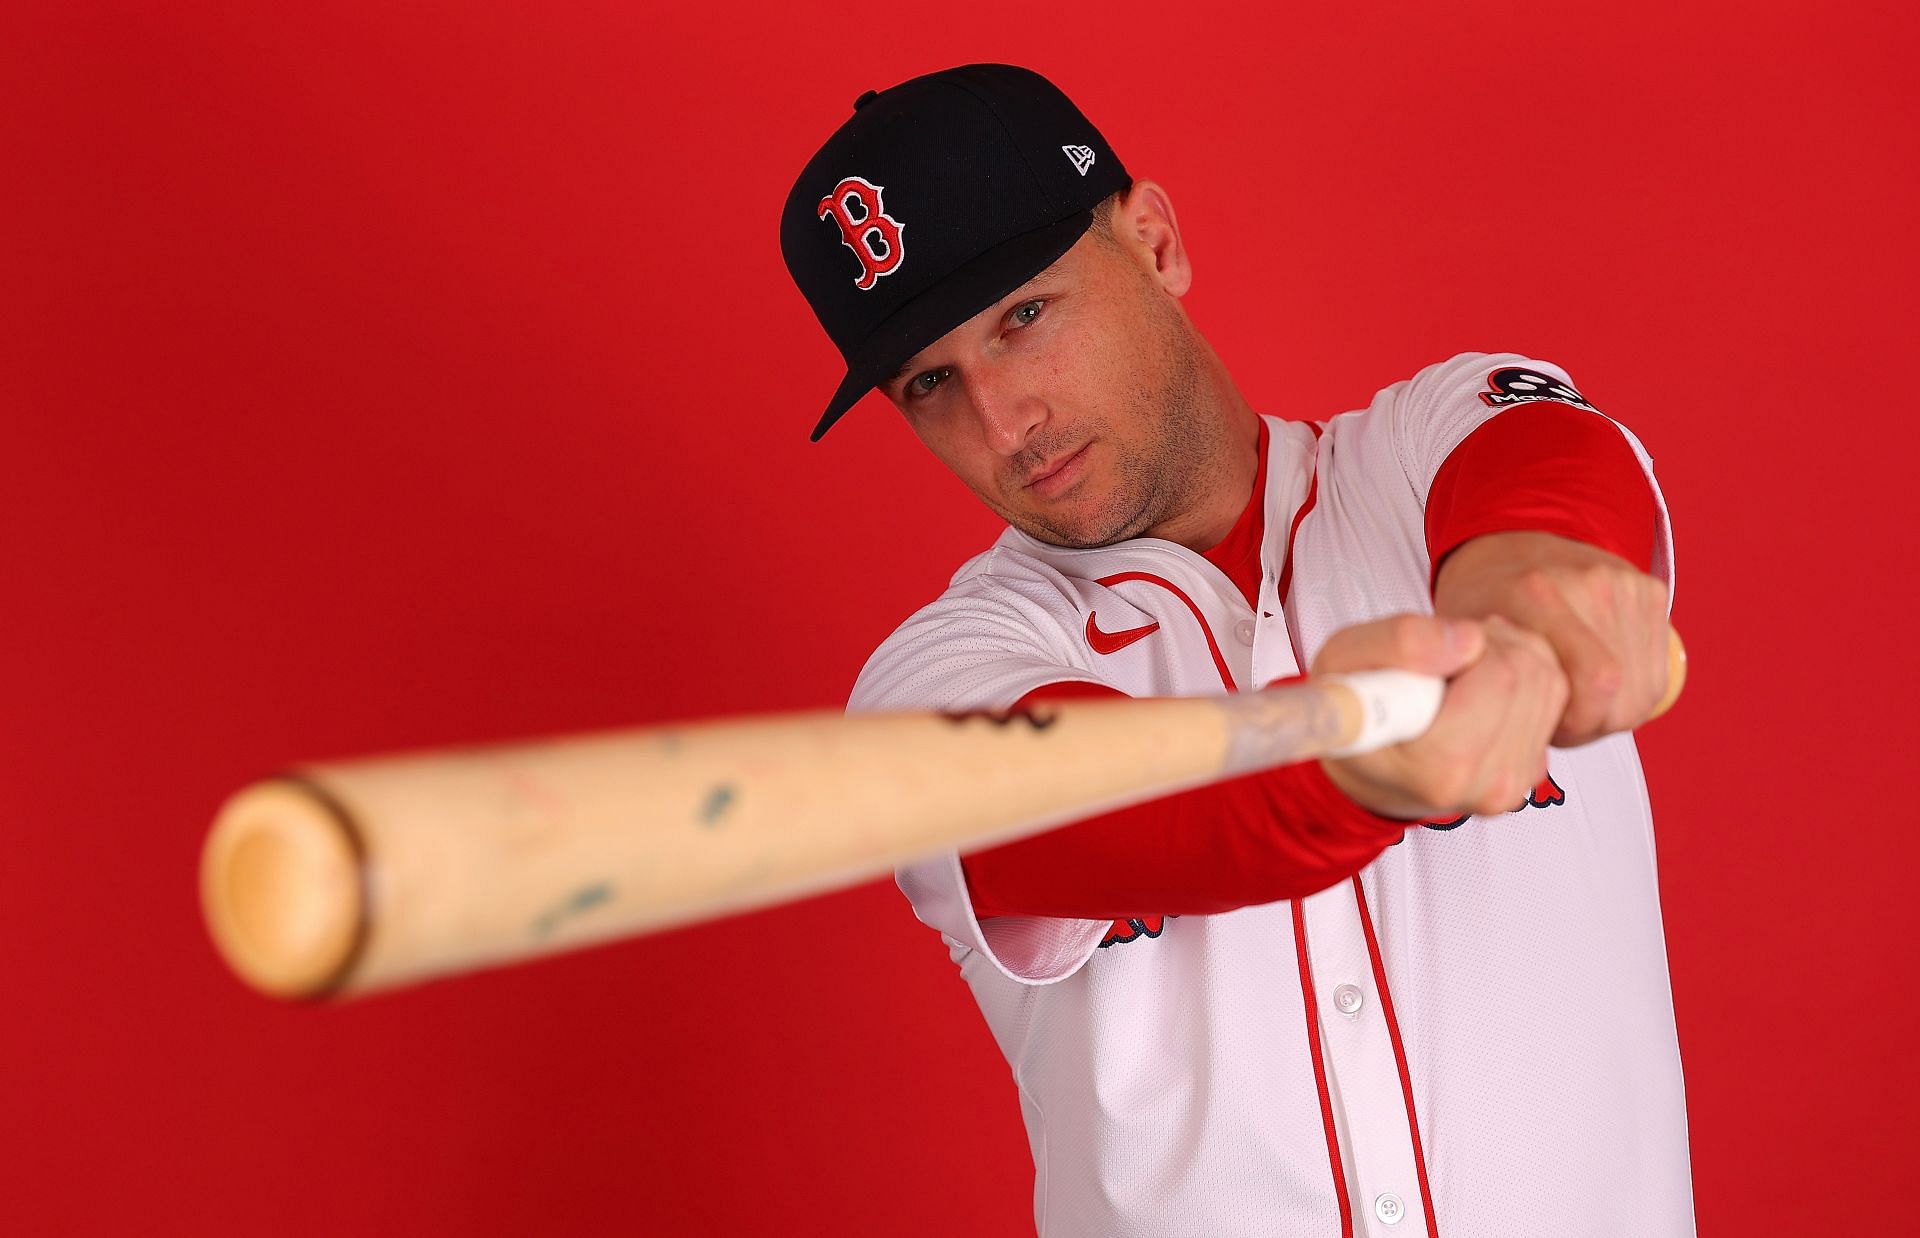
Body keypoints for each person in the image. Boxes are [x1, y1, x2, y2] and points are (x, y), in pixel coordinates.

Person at [781, 64, 1692, 1237]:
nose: (1005, 424)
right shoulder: (939, 675)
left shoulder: (1420, 448)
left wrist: (1532, 605)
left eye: (1025, 314)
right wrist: (1352, 770)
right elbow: (1148, 807)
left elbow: (1545, 481)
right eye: (932, 382)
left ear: (1154, 244)